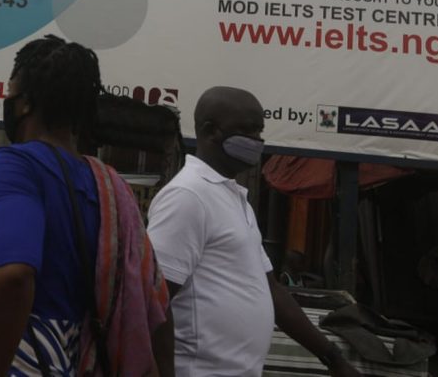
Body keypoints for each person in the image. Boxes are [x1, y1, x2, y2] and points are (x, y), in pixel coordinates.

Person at [0, 35, 174, 377]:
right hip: (68, 357)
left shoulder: (15, 166)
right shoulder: (106, 186)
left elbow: (12, 276)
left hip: (17, 361)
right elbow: (154, 299)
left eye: (11, 90)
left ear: (24, 104)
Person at [147, 86, 360, 377]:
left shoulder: (234, 198)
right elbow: (154, 299)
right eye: (246, 131)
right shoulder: (188, 196)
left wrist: (333, 359)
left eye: (259, 131)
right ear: (210, 131)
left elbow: (272, 291)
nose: (256, 141)